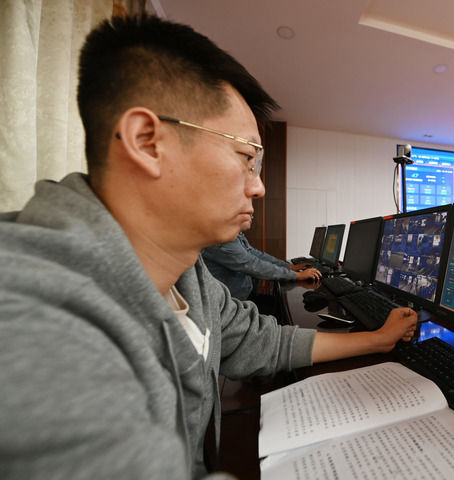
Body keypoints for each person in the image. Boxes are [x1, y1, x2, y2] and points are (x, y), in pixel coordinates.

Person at [0, 14, 416, 479]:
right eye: (246, 157)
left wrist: (377, 338)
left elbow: (258, 341)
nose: (258, 186)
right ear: (147, 142)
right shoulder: (34, 330)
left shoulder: (187, 271)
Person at [202, 232, 321, 300]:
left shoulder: (234, 234)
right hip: (233, 302)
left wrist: (287, 266)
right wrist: (296, 276)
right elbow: (253, 264)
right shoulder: (222, 238)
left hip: (244, 296)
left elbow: (255, 254)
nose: (251, 216)